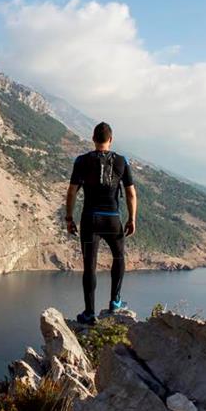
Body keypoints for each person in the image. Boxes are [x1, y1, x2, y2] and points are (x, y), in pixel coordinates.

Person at [65, 122, 137, 324]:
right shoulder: (122, 161)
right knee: (119, 257)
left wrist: (69, 218)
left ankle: (89, 313)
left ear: (93, 139)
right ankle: (115, 301)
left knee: (89, 266)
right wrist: (132, 218)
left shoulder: (82, 161)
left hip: (90, 220)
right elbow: (131, 193)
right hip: (113, 220)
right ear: (111, 140)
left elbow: (72, 191)